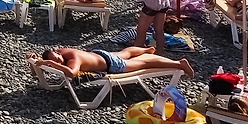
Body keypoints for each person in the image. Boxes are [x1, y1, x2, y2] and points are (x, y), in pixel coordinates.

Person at [33, 46, 193, 78]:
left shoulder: (74, 60)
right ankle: (145, 50)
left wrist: (53, 64)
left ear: (57, 53)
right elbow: (39, 71)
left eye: (57, 58)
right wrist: (34, 62)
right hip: (99, 54)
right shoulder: (62, 50)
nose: (59, 60)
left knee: (145, 64)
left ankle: (179, 64)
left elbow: (72, 74)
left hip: (111, 65)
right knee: (125, 53)